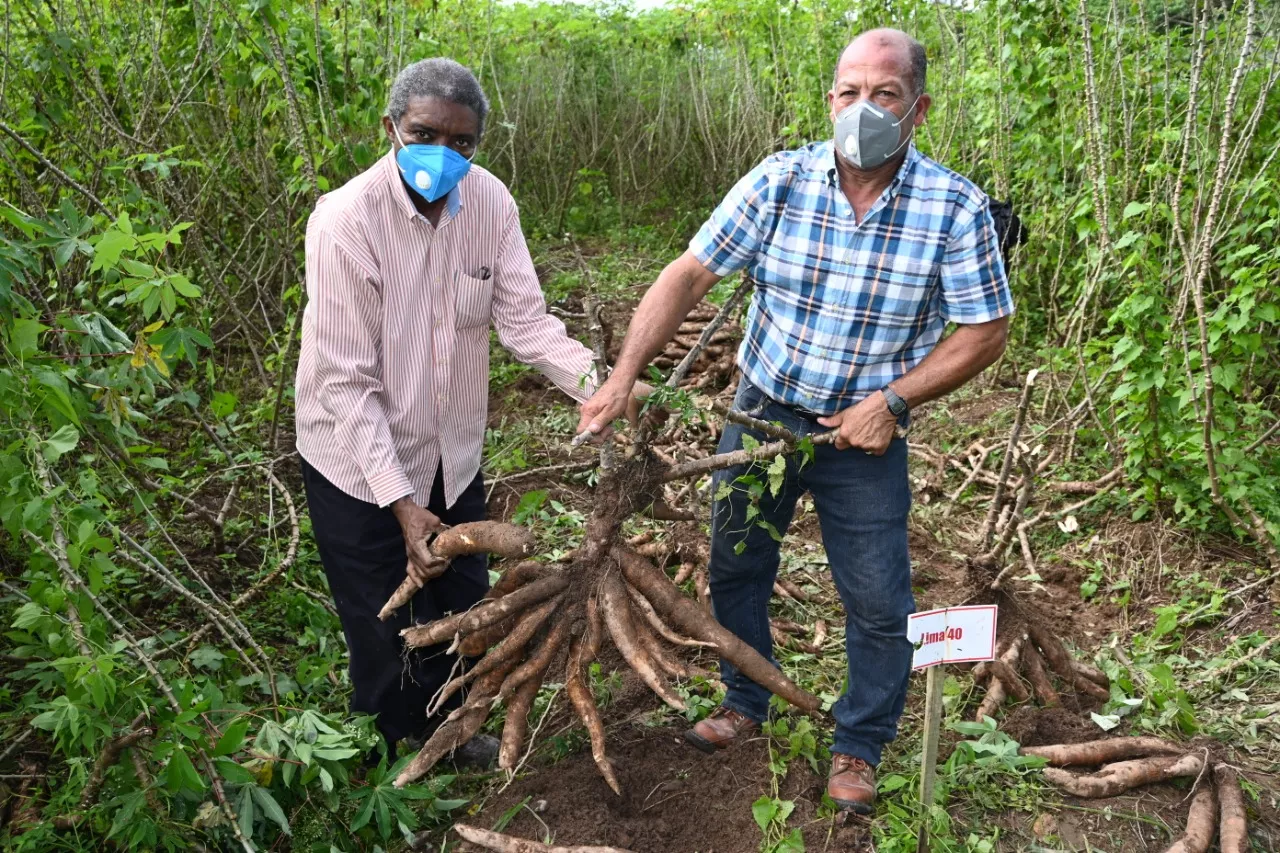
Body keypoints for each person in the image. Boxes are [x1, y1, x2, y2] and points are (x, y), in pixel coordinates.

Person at [576, 29, 1013, 813]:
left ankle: (860, 741)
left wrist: (892, 403)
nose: (863, 109)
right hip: (763, 410)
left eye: (884, 95)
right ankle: (747, 698)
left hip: (864, 432)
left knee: (879, 598)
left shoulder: (955, 207)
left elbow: (986, 329)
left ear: (919, 109)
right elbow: (690, 271)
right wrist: (623, 376)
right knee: (738, 565)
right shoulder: (780, 182)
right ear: (829, 99)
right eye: (849, 92)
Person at [295, 57, 641, 766]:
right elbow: (347, 381)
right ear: (390, 128)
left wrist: (602, 388)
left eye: (462, 143)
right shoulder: (345, 222)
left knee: (461, 600)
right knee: (380, 610)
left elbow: (527, 323)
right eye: (425, 134)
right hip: (356, 462)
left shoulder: (490, 205)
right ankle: (396, 742)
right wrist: (399, 501)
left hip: (451, 454)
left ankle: (456, 725)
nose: (443, 156)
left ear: (479, 143)